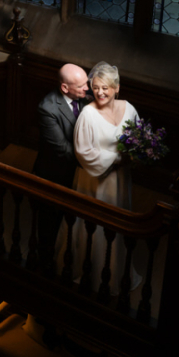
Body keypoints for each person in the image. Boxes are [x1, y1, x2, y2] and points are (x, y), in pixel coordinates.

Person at [67, 62, 140, 291]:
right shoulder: (87, 115)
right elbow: (83, 153)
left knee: (116, 223)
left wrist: (136, 153)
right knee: (93, 225)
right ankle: (87, 270)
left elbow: (137, 139)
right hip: (94, 181)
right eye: (96, 87)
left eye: (105, 88)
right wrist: (118, 159)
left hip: (119, 181)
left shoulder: (129, 109)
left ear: (117, 88)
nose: (99, 92)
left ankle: (116, 270)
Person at [34, 63, 89, 259]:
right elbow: (62, 149)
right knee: (50, 220)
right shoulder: (47, 108)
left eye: (86, 83)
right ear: (65, 88)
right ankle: (45, 258)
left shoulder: (84, 98)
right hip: (54, 173)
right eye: (81, 86)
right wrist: (93, 161)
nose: (87, 89)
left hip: (76, 171)